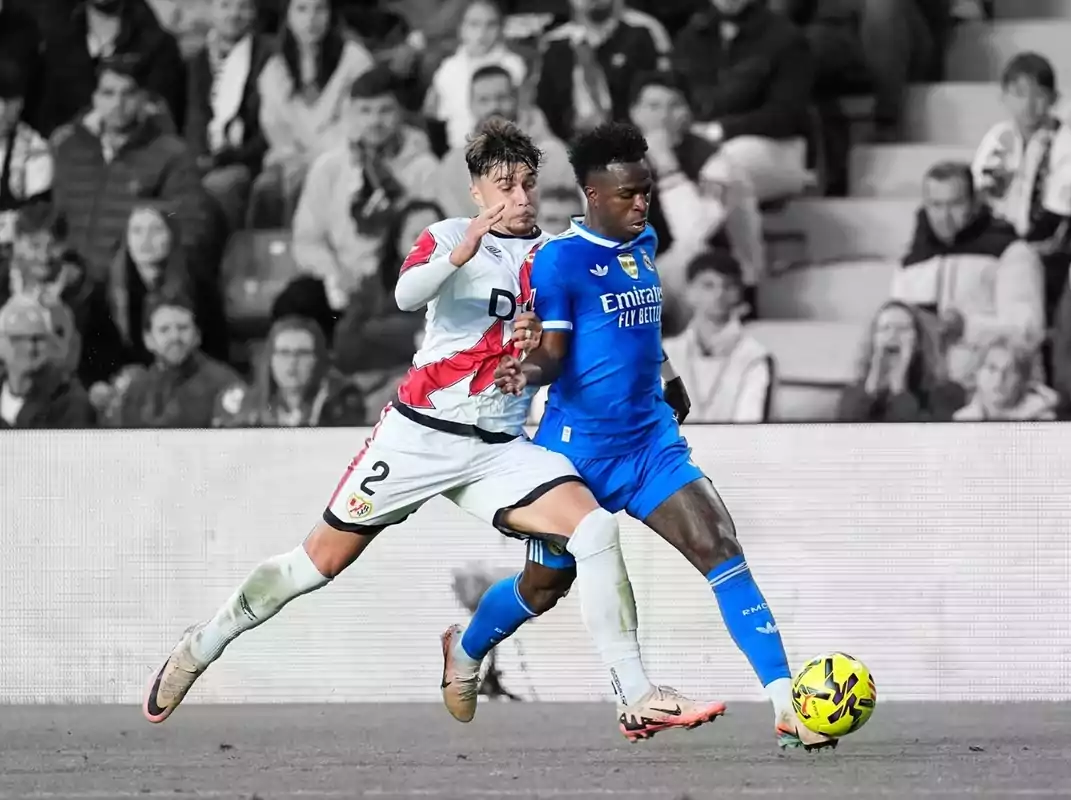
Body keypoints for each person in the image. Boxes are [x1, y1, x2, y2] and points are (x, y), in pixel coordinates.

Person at [142, 118, 724, 740]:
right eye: (504, 186)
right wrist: (460, 253)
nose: (520, 198)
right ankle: (203, 643)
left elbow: (596, 331)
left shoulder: (557, 255)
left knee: (594, 530)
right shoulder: (447, 235)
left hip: (499, 450)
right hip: (417, 438)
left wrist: (652, 369)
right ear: (477, 191)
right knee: (315, 565)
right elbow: (404, 295)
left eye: (528, 184)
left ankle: (633, 692)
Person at [450, 121, 834, 751]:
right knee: (543, 587)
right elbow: (552, 353)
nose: (640, 204)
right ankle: (465, 648)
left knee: (720, 544)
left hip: (650, 443)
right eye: (627, 193)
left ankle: (785, 701)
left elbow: (642, 325)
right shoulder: (558, 262)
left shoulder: (644, 241)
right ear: (591, 195)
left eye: (646, 192)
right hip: (576, 453)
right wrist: (526, 370)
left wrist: (669, 372)